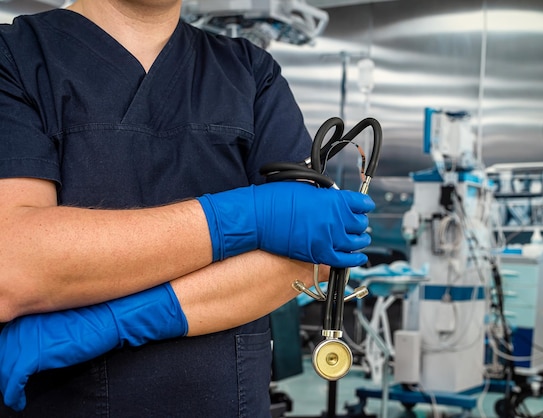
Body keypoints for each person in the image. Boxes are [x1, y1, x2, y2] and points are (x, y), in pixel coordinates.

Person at [0, 0, 375, 416]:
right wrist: (248, 217)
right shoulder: (15, 58)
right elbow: (13, 266)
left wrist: (113, 321)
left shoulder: (250, 73)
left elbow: (314, 254)